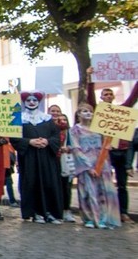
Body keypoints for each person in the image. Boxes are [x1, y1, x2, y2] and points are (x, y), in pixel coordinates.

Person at [86, 66, 137, 224]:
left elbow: (133, 97)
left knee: (122, 185)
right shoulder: (99, 111)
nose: (108, 96)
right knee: (103, 184)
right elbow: (90, 100)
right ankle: (105, 211)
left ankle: (123, 212)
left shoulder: (122, 111)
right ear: (101, 97)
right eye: (105, 94)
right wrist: (90, 79)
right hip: (104, 153)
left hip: (121, 151)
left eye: (110, 94)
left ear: (113, 97)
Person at [11, 91, 63, 224]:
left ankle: (49, 212)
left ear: (38, 102)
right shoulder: (19, 119)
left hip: (46, 157)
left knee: (49, 183)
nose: (32, 102)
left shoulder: (47, 119)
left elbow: (56, 137)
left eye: (34, 100)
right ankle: (34, 212)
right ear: (24, 102)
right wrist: (29, 142)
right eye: (28, 100)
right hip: (29, 157)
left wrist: (47, 141)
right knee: (31, 183)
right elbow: (14, 138)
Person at [70, 103, 121, 229]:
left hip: (101, 162)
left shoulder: (99, 129)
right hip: (86, 163)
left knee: (102, 191)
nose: (88, 113)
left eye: (90, 111)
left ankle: (103, 218)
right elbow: (76, 148)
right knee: (87, 191)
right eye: (84, 111)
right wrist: (88, 166)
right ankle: (90, 218)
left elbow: (107, 143)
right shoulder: (75, 130)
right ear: (78, 114)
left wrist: (109, 147)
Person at [49, 105, 77, 222]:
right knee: (53, 186)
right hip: (52, 160)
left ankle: (66, 210)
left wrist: (69, 148)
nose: (56, 114)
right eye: (53, 111)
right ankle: (55, 210)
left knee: (66, 187)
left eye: (58, 112)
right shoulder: (47, 127)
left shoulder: (69, 132)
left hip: (65, 161)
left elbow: (75, 145)